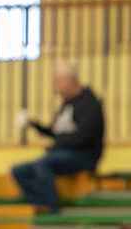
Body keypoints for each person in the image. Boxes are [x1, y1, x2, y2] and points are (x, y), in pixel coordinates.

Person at [11, 62, 104, 213]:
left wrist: (58, 143)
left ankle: (52, 208)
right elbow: (55, 132)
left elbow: (84, 137)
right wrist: (32, 124)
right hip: (61, 154)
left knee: (43, 164)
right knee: (19, 171)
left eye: (57, 81)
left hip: (83, 155)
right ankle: (39, 204)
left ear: (69, 80)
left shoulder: (90, 103)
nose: (55, 87)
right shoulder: (66, 104)